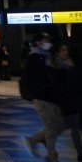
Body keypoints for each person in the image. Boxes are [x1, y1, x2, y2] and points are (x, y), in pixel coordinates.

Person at [22, 33, 65, 162]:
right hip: (42, 97)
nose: (48, 43)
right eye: (45, 40)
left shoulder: (44, 56)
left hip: (49, 97)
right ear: (39, 43)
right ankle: (52, 155)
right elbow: (36, 77)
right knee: (52, 126)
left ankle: (36, 139)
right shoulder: (36, 57)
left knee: (58, 124)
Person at [51, 42, 82, 162]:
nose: (66, 53)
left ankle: (80, 154)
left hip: (71, 104)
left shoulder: (68, 68)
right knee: (74, 129)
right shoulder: (67, 68)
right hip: (72, 104)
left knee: (73, 129)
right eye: (63, 50)